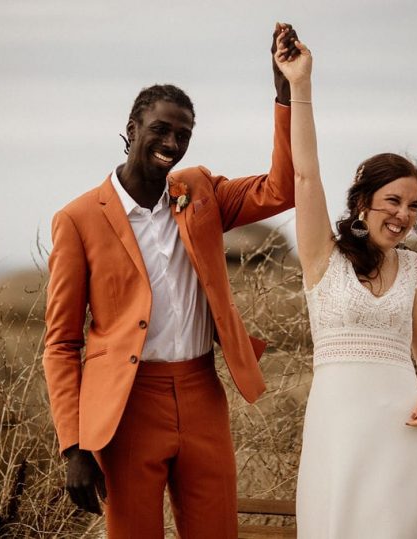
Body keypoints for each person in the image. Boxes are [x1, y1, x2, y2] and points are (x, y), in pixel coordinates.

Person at [42, 24, 301, 539]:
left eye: (183, 134)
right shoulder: (78, 220)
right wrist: (73, 445)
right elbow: (61, 342)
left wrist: (285, 94)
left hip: (203, 392)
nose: (172, 143)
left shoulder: (199, 191)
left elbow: (282, 188)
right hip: (129, 404)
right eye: (161, 129)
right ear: (132, 128)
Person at [274, 34, 417, 537]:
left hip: (403, 432)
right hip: (340, 431)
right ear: (364, 201)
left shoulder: (414, 270)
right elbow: (304, 177)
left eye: (414, 206)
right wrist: (300, 86)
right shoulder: (322, 257)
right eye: (394, 200)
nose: (403, 215)